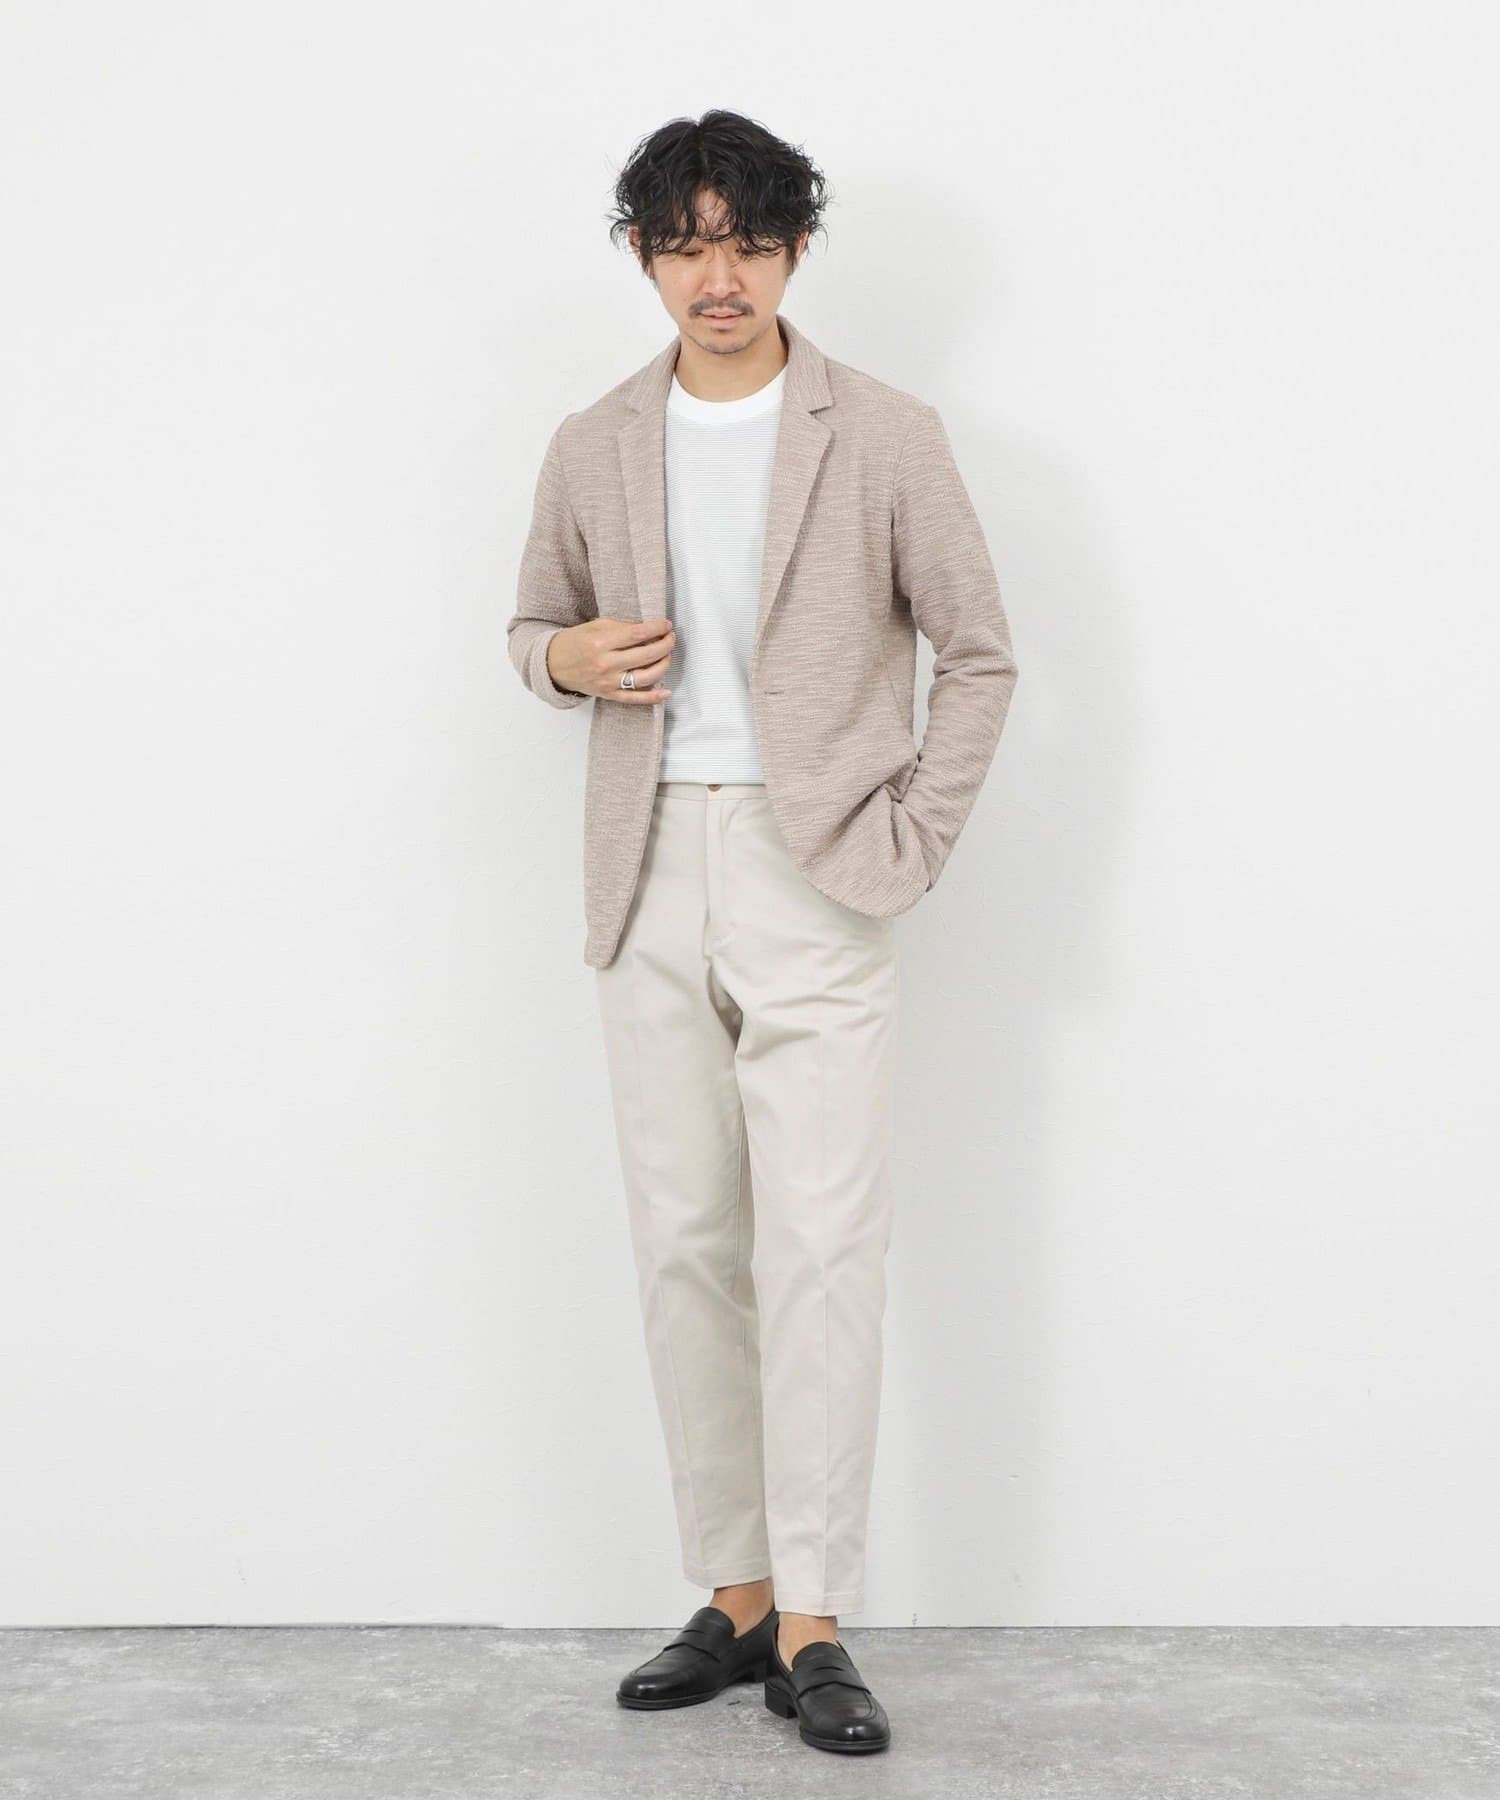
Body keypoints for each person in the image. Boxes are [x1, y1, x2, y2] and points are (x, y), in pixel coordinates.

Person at [506, 109, 1019, 1757]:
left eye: (746, 242)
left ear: (795, 250)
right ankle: (733, 1596)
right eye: (683, 243)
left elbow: (979, 651)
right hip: (645, 861)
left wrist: (912, 835)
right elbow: (532, 622)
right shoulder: (594, 438)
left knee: (823, 1247)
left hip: (820, 870)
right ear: (645, 255)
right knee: (684, 1243)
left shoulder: (886, 432)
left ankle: (817, 1619)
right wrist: (563, 661)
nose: (715, 276)